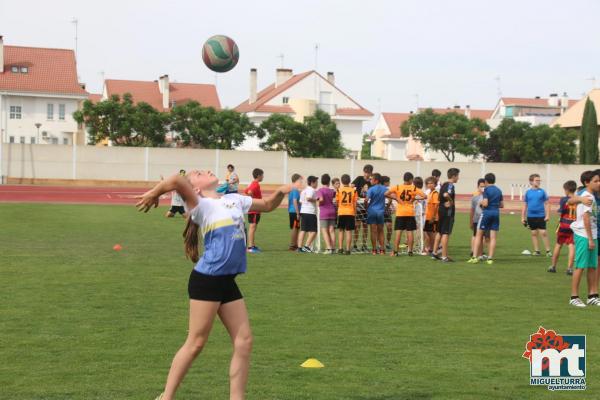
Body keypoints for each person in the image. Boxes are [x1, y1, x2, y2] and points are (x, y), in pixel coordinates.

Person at [135, 169, 295, 400]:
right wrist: (153, 193)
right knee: (196, 343)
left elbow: (268, 205)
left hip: (226, 280)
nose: (207, 170)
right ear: (196, 188)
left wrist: (280, 191)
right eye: (199, 172)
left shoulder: (234, 199)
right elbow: (176, 180)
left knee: (244, 341)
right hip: (207, 280)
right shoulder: (200, 205)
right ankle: (166, 397)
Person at [568, 170, 600, 307]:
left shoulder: (591, 195)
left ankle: (591, 296)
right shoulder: (587, 196)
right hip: (584, 235)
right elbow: (586, 218)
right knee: (580, 266)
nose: (599, 183)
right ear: (587, 183)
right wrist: (591, 239)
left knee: (592, 266)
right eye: (596, 181)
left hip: (593, 233)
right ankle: (574, 296)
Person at [387, 172, 424, 256]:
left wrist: (396, 198)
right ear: (411, 179)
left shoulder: (397, 187)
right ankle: (410, 251)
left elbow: (385, 194)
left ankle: (396, 252)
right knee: (410, 232)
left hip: (400, 213)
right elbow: (424, 196)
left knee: (398, 232)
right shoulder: (414, 188)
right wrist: (414, 198)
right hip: (410, 212)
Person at [470, 173, 503, 265]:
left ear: (486, 181)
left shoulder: (486, 190)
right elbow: (502, 205)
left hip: (487, 213)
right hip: (496, 214)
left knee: (479, 235)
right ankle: (490, 258)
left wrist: (481, 203)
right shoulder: (499, 190)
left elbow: (485, 203)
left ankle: (474, 257)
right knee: (493, 237)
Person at [548, 180, 577, 274]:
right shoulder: (578, 199)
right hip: (574, 225)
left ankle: (553, 266)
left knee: (558, 244)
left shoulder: (564, 199)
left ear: (567, 190)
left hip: (564, 224)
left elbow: (561, 211)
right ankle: (569, 268)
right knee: (571, 246)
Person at [432, 168, 460, 262]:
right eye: (457, 176)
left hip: (441, 210)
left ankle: (434, 253)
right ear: (454, 176)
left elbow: (441, 197)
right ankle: (444, 256)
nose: (458, 178)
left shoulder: (443, 184)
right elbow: (445, 195)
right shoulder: (450, 185)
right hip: (447, 212)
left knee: (440, 231)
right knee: (446, 233)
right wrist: (451, 202)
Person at [522, 174, 551, 256]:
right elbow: (525, 205)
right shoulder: (528, 192)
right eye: (536, 180)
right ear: (531, 182)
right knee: (533, 233)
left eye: (539, 180)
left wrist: (547, 215)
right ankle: (537, 251)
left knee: (543, 233)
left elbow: (547, 204)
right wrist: (522, 217)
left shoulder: (542, 192)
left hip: (541, 215)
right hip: (530, 216)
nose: (538, 182)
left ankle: (548, 251)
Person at [352, 164, 373, 253]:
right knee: (357, 226)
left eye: (368, 173)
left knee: (365, 226)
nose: (366, 174)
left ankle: (364, 244)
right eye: (365, 172)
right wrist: (355, 195)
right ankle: (354, 244)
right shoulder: (359, 179)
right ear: (363, 172)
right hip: (358, 206)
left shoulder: (371, 182)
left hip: (367, 206)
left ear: (371, 173)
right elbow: (351, 186)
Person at [365, 173, 388, 255]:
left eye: (372, 179)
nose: (370, 180)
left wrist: (366, 207)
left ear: (376, 180)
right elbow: (391, 198)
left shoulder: (371, 189)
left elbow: (366, 200)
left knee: (373, 231)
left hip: (372, 211)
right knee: (381, 231)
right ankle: (382, 249)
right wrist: (387, 207)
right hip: (380, 212)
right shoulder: (385, 188)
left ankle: (374, 250)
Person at [336, 174, 358, 255]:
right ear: (349, 181)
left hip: (341, 212)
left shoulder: (339, 190)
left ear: (341, 181)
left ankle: (340, 248)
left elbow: (337, 202)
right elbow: (355, 203)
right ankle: (348, 249)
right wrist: (355, 213)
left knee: (341, 230)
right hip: (350, 212)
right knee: (349, 231)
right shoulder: (354, 190)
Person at [468, 179, 490, 260]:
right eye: (481, 186)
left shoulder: (488, 197)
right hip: (477, 219)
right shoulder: (475, 197)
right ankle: (473, 251)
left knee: (485, 237)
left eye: (484, 186)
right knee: (476, 236)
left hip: (486, 219)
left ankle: (481, 253)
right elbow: (472, 210)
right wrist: (471, 221)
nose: (483, 188)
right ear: (478, 187)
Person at [244, 168, 263, 253]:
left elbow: (246, 190)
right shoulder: (255, 184)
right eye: (262, 175)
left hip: (255, 209)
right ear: (258, 176)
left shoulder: (253, 183)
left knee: (253, 227)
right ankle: (250, 247)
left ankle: (252, 245)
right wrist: (251, 199)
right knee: (252, 227)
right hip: (254, 210)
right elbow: (249, 192)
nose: (263, 177)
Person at [297, 176, 319, 253]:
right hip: (310, 212)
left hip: (303, 211)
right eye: (316, 182)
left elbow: (300, 201)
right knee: (314, 231)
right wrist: (316, 199)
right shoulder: (311, 190)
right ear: (312, 183)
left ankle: (299, 247)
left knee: (303, 230)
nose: (317, 184)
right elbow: (308, 198)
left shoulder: (304, 190)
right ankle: (306, 246)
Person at [317, 174, 337, 254]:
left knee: (324, 230)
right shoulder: (332, 191)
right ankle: (333, 248)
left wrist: (318, 203)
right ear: (329, 182)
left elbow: (321, 199)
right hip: (332, 211)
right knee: (332, 231)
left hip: (324, 211)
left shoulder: (320, 190)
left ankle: (328, 248)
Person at [423, 177, 439, 254]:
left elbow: (436, 206)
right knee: (428, 233)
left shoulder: (435, 193)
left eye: (431, 183)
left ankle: (433, 249)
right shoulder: (429, 193)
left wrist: (433, 217)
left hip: (433, 218)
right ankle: (431, 248)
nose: (429, 185)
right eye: (428, 183)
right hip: (428, 216)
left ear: (435, 184)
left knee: (432, 234)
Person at [287, 173, 303, 251]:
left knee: (296, 227)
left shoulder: (292, 189)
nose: (301, 182)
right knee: (295, 228)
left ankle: (295, 244)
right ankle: (292, 245)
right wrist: (297, 213)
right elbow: (294, 201)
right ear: (296, 180)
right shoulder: (295, 190)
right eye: (300, 180)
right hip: (294, 212)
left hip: (292, 211)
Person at [381, 176, 394, 250]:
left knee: (389, 228)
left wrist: (387, 207)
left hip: (386, 211)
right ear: (385, 182)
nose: (389, 183)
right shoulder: (381, 190)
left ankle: (388, 243)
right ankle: (380, 243)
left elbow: (390, 200)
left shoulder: (388, 190)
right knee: (380, 228)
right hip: (380, 210)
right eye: (388, 181)